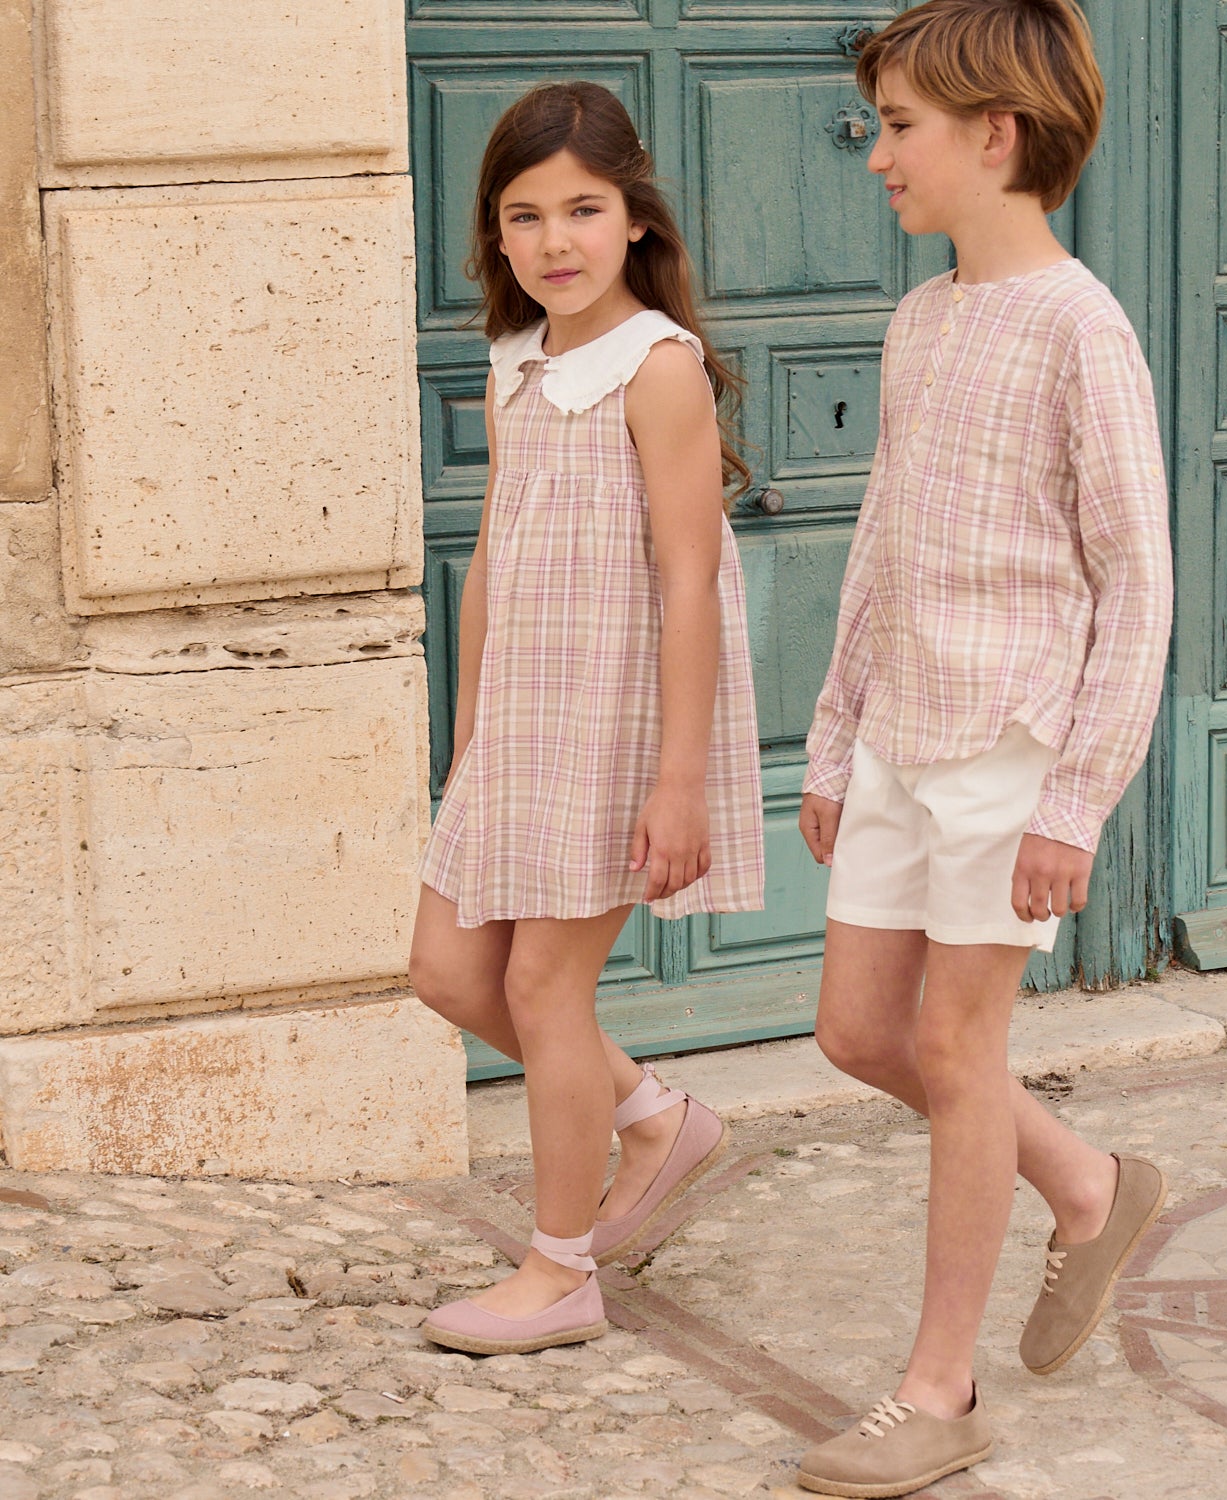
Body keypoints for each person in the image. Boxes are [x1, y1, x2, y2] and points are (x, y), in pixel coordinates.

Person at [793, 1, 1174, 1492]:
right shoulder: (923, 317)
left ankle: (935, 1391)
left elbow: (1136, 579)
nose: (877, 153)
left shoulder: (1083, 329)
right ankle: (1087, 1181)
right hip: (901, 734)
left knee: (957, 1049)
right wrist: (834, 742)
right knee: (856, 1032)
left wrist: (1076, 798)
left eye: (900, 127)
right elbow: (881, 543)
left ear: (995, 136)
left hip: (1015, 741)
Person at [407, 80, 764, 1357]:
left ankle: (560, 1273)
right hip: (522, 722)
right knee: (446, 967)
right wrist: (467, 736)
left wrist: (679, 781)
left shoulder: (657, 369)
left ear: (633, 220)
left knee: (546, 986)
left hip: (617, 725)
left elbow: (687, 578)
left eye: (583, 209)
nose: (555, 240)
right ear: (495, 237)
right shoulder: (517, 362)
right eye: (525, 215)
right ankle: (658, 1117)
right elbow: (498, 551)